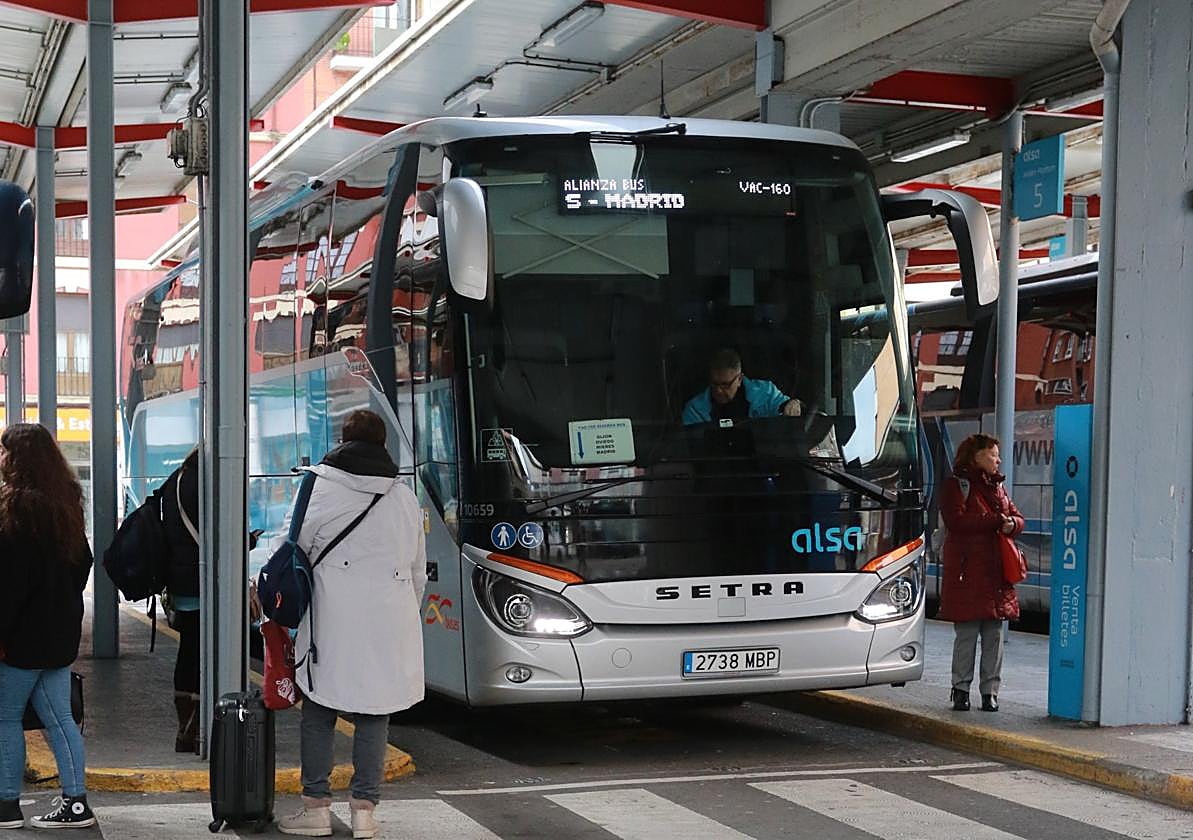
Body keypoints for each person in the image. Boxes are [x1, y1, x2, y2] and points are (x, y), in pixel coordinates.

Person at [279, 409, 426, 840]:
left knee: (320, 708)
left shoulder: (319, 488)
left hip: (332, 617)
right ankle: (364, 812)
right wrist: (400, 614)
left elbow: (294, 551)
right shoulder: (403, 497)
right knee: (374, 711)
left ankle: (316, 808)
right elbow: (417, 570)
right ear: (383, 446)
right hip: (390, 617)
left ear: (342, 440)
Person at [0, 423, 97, 829]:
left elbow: (9, 585)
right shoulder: (67, 503)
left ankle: (6, 805)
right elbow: (85, 562)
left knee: (5, 718)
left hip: (21, 641)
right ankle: (76, 803)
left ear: (18, 459)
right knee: (59, 720)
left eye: (5, 452)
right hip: (58, 637)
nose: (1, 459)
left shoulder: (16, 510)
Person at [938, 433, 1023, 713]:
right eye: (993, 454)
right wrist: (997, 520)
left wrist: (1012, 524)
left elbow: (1017, 517)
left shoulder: (999, 488)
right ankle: (960, 689)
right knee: (967, 634)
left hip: (996, 574)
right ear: (977, 456)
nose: (998, 459)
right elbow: (956, 521)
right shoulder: (956, 485)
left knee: (994, 636)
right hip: (967, 574)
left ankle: (990, 692)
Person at [159, 448, 201, 753]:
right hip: (203, 586)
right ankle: (194, 729)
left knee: (187, 650)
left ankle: (184, 726)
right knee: (201, 654)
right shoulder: (204, 484)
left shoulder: (175, 480)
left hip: (180, 584)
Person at [682, 348, 801, 426]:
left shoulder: (765, 394)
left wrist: (794, 404)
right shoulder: (695, 410)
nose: (718, 390)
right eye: (715, 384)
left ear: (739, 379)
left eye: (725, 385)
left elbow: (789, 408)